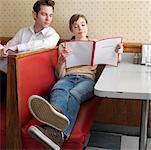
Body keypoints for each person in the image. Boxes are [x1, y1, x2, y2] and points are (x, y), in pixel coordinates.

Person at [27, 14, 123, 149]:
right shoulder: (64, 46)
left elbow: (114, 61)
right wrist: (61, 61)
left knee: (74, 94)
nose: (80, 28)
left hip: (87, 79)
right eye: (76, 26)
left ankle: (52, 129)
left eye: (83, 24)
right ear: (71, 29)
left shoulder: (96, 44)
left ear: (87, 26)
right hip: (68, 77)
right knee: (59, 88)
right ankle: (55, 121)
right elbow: (60, 76)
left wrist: (118, 53)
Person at [0, 0, 60, 102]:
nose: (48, 19)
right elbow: (9, 47)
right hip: (12, 73)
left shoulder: (53, 35)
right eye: (44, 14)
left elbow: (43, 45)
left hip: (34, 76)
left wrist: (17, 48)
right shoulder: (23, 32)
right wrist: (3, 51)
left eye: (50, 15)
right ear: (34, 15)